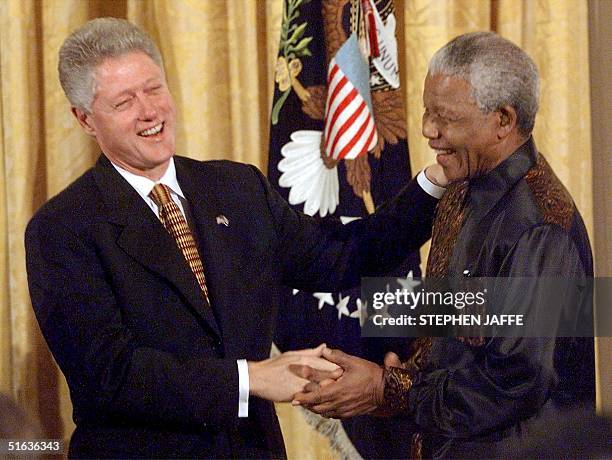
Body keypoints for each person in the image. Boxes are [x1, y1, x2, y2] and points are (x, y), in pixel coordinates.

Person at [24, 18, 445, 458]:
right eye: (124, 101)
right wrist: (253, 377)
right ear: (85, 119)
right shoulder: (63, 229)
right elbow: (111, 376)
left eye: (154, 89)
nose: (149, 111)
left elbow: (339, 258)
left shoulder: (237, 189)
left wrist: (431, 186)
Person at [294, 31, 595, 458]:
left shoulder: (539, 229)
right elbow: (462, 314)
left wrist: (388, 390)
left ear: (503, 121)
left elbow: (512, 382)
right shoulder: (462, 187)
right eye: (425, 112)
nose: (426, 130)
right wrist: (400, 362)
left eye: (445, 118)